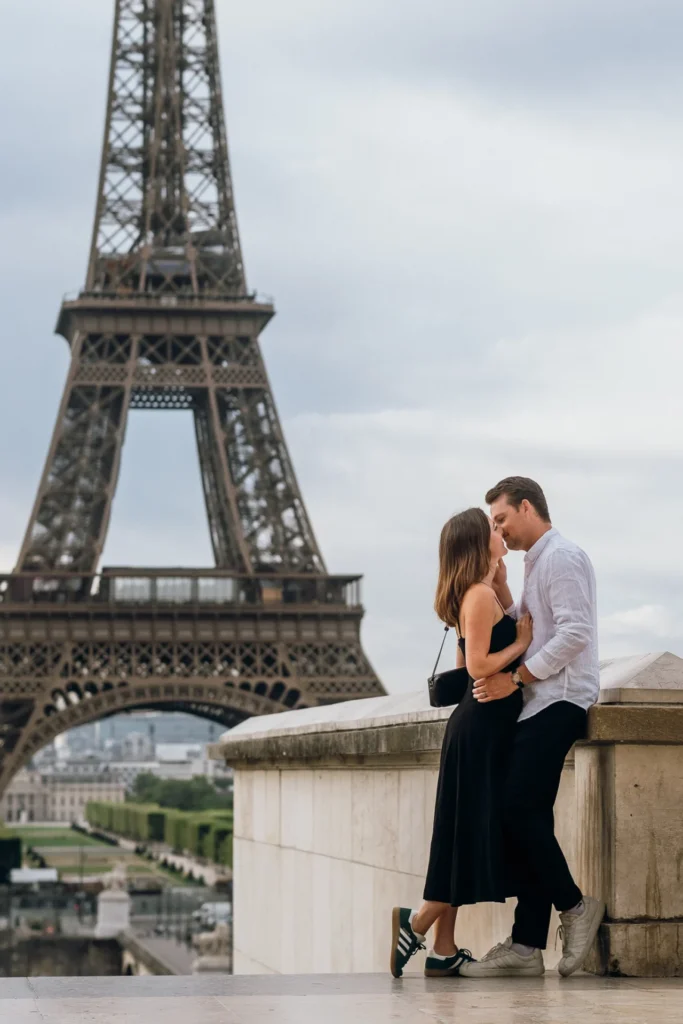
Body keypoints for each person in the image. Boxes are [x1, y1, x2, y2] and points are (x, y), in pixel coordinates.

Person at [459, 477, 605, 979]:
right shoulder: (537, 561)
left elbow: (575, 632)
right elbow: (533, 624)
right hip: (542, 701)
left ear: (527, 506)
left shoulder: (561, 557)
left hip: (560, 700)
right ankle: (526, 944)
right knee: (525, 815)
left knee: (518, 808)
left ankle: (575, 908)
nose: (497, 529)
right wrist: (504, 592)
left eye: (500, 519)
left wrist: (516, 678)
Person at [390, 507, 533, 978]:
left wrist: (504, 584)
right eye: (493, 528)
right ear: (478, 542)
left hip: (475, 727)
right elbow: (475, 667)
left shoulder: (479, 592)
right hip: (480, 729)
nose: (500, 531)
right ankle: (416, 923)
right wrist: (519, 645)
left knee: (456, 834)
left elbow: (465, 657)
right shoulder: (476, 596)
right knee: (466, 833)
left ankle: (443, 949)